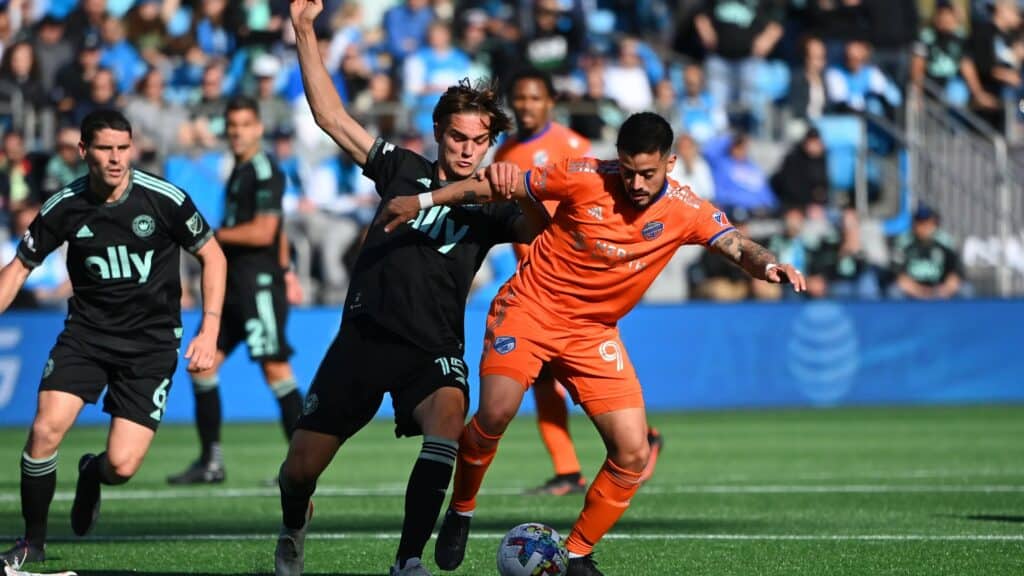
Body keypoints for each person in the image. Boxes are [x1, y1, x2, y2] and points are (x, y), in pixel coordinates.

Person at [380, 112, 805, 576]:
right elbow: (497, 188)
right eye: (628, 170)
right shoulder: (584, 175)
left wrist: (768, 266)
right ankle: (461, 509)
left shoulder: (687, 209)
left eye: (648, 172)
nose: (637, 183)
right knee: (496, 411)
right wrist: (421, 201)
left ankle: (578, 553)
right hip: (530, 309)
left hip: (592, 332)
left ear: (671, 163)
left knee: (634, 451)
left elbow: (738, 245)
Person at [276, 2, 545, 576]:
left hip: (434, 347)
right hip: (363, 340)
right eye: (457, 137)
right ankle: (294, 529)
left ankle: (407, 562)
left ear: (490, 141)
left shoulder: (494, 205)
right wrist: (303, 30)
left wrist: (521, 189)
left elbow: (543, 228)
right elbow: (331, 118)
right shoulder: (402, 171)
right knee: (298, 471)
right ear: (439, 134)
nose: (467, 149)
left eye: (478, 140)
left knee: (447, 425)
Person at [0, 109, 226, 568]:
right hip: (86, 337)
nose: (117, 158)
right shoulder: (64, 205)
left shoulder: (163, 199)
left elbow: (213, 256)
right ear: (84, 152)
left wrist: (210, 328)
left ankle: (91, 472)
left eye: (124, 148)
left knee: (121, 467)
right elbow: (19, 267)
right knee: (44, 428)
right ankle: (33, 540)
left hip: (151, 345)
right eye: (105, 149)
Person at [493, 67, 665, 496]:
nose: (525, 105)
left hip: (575, 286)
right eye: (520, 98)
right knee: (540, 379)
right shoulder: (505, 154)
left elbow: (602, 200)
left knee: (558, 377)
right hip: (535, 284)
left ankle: (623, 445)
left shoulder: (572, 146)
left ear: (550, 102)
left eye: (534, 98)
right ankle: (573, 467)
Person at [168, 96, 305, 485]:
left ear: (258, 128)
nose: (237, 132)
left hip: (258, 285)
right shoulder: (240, 169)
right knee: (202, 365)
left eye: (245, 124)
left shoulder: (264, 170)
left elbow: (264, 230)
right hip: (234, 286)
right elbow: (277, 230)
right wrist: (289, 269)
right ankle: (211, 462)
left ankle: (299, 466)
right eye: (232, 126)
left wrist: (210, 236)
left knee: (276, 368)